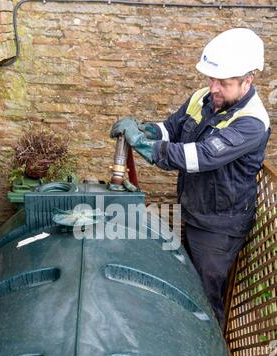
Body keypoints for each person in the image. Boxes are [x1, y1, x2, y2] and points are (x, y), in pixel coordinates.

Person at [110, 28, 271, 330]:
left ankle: (210, 355)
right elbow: (172, 127)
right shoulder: (203, 97)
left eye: (223, 82)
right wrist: (146, 130)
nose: (214, 88)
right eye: (211, 79)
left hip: (220, 226)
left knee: (206, 296)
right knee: (189, 280)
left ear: (248, 80)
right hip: (196, 211)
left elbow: (201, 157)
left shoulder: (252, 122)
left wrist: (145, 147)